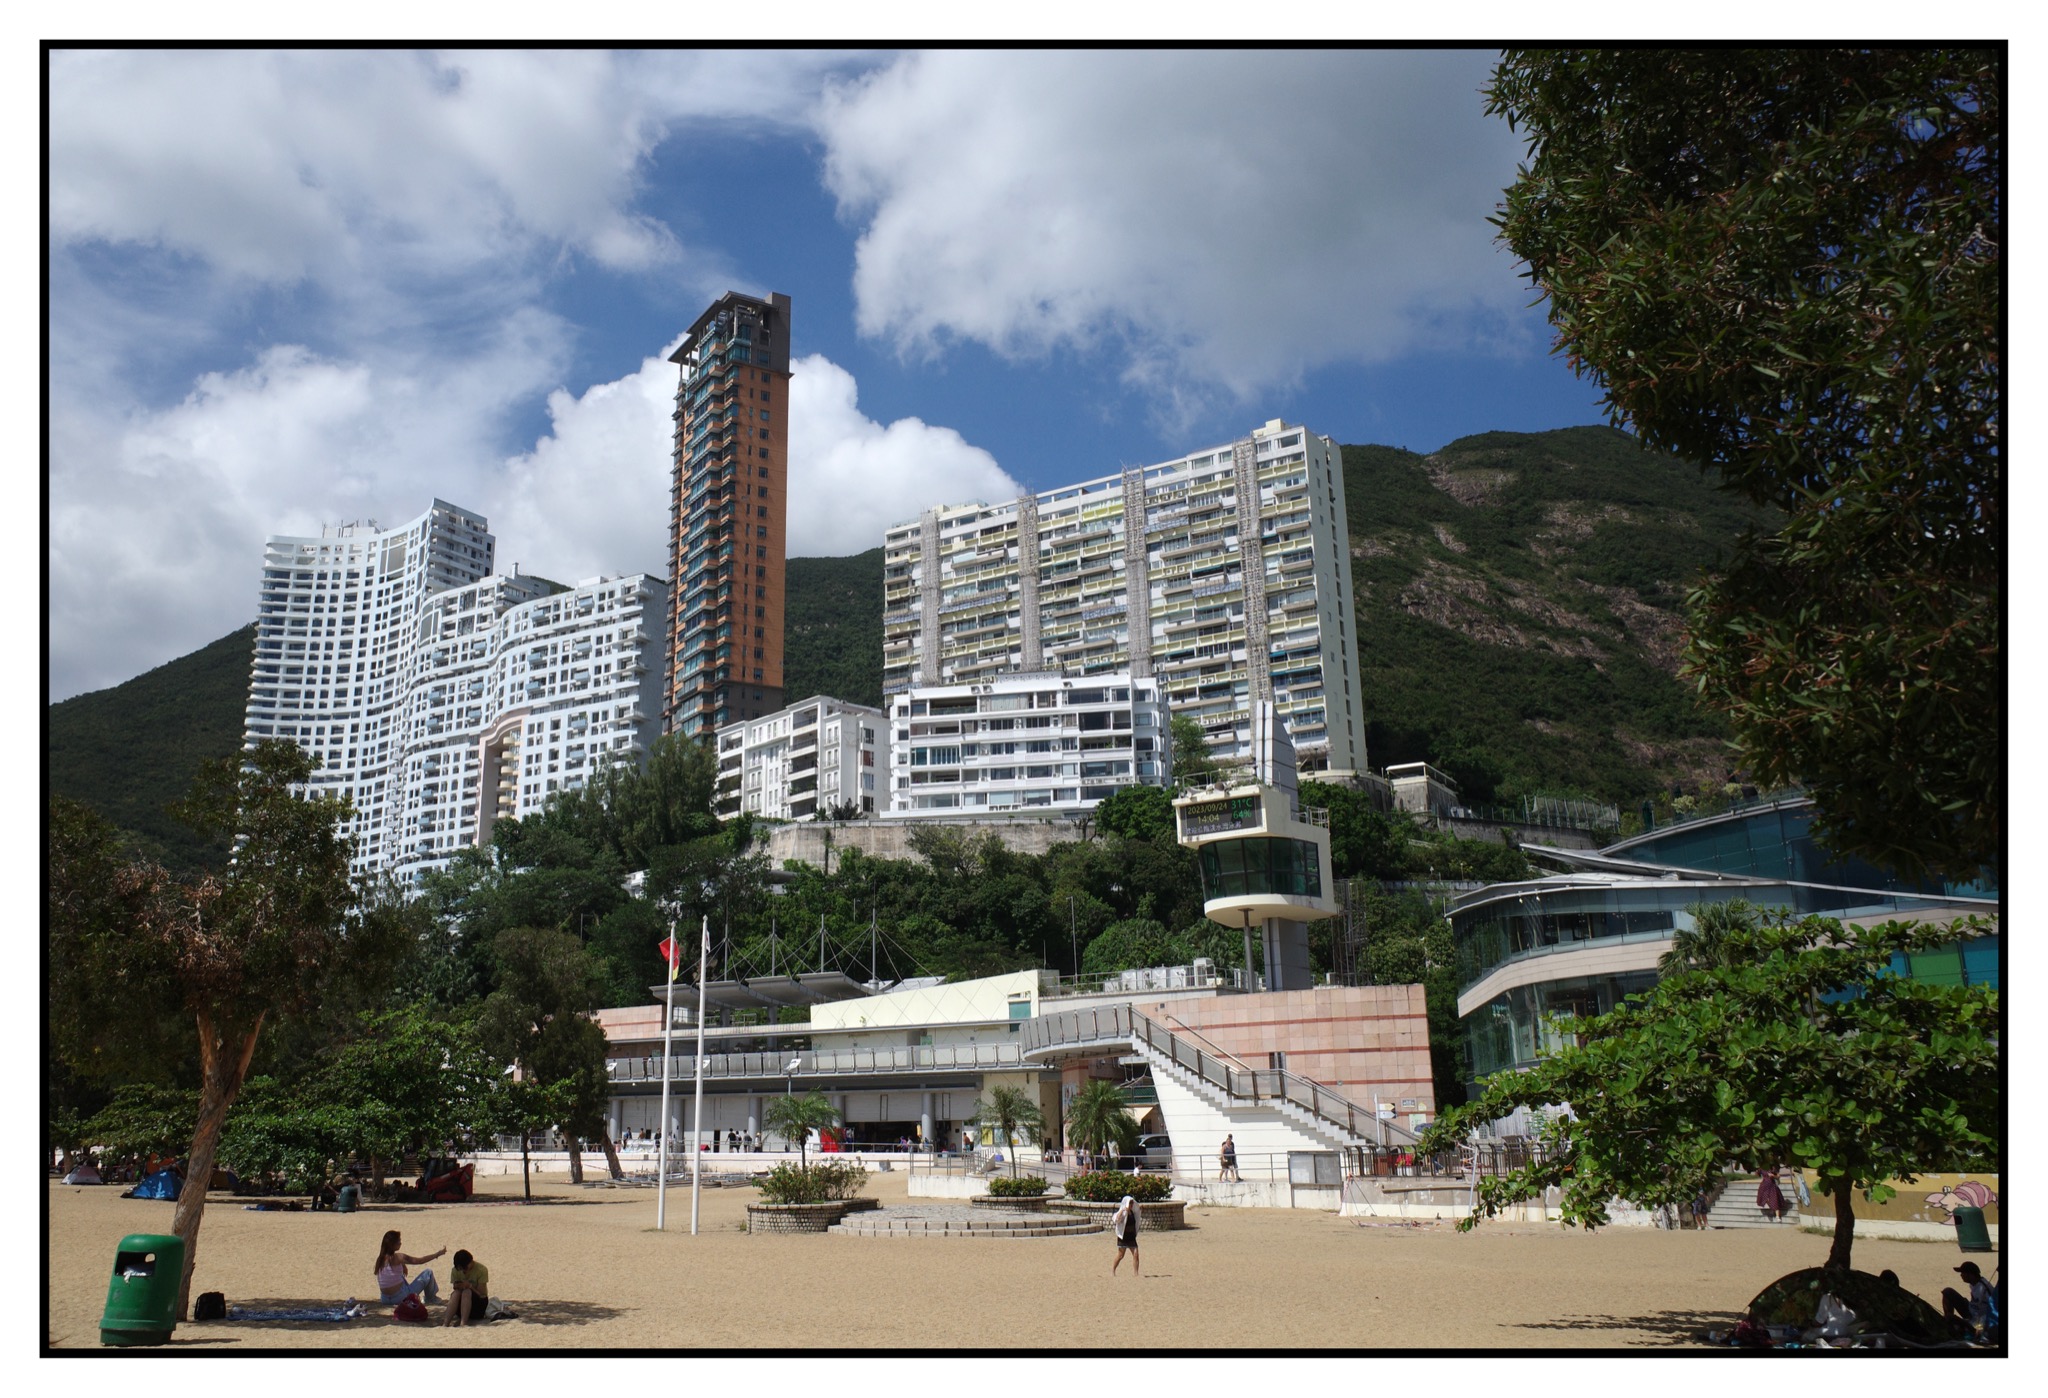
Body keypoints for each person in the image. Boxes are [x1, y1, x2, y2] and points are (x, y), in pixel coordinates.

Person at [374, 1230, 444, 1307]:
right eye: (399, 1241)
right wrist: (437, 1254)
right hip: (400, 1298)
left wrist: (403, 1265)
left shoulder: (380, 1259)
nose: (400, 1243)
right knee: (428, 1273)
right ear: (393, 1244)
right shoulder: (399, 1257)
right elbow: (420, 1261)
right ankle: (430, 1298)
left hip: (385, 1299)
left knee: (399, 1276)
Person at [1942, 1261, 1995, 1339]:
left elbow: (1994, 1307)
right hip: (1971, 1309)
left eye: (1963, 1273)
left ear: (1970, 1275)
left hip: (1979, 1318)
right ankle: (1948, 1319)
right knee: (1947, 1292)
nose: (1961, 1275)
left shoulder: (1984, 1288)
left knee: (1959, 1324)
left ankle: (1952, 1322)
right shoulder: (1973, 1283)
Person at [442, 1249, 492, 1326]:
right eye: (460, 1269)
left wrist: (470, 1286)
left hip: (478, 1305)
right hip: (460, 1306)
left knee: (467, 1292)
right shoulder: (455, 1270)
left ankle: (463, 1323)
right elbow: (454, 1286)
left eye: (464, 1268)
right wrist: (459, 1285)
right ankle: (446, 1323)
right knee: (456, 1293)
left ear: (471, 1262)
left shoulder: (481, 1270)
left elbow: (481, 1294)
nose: (463, 1271)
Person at [1110, 1194, 1141, 1277]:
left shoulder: (1133, 1213)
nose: (1131, 1205)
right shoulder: (1123, 1213)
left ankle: (1136, 1273)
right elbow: (1116, 1219)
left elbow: (1137, 1218)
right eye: (1130, 1203)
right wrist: (1123, 1210)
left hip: (1131, 1236)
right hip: (1123, 1237)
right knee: (1120, 1255)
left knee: (1136, 1254)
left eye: (1132, 1203)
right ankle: (1113, 1270)